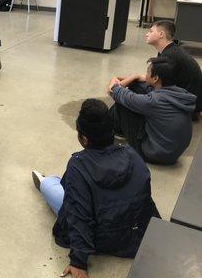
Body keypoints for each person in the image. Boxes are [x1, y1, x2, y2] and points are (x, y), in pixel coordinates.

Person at [31, 99, 160, 278]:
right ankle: (53, 182)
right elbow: (145, 198)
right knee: (74, 189)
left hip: (100, 236)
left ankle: (46, 182)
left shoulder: (78, 165)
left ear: (83, 138)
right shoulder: (133, 155)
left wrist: (78, 261)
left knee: (57, 191)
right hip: (134, 234)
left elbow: (79, 215)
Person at [108, 57, 196, 164]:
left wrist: (114, 80)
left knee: (122, 104)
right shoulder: (180, 93)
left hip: (154, 154)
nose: (145, 75)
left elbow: (114, 92)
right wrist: (135, 78)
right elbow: (145, 87)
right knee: (137, 87)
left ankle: (108, 131)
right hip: (172, 153)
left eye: (147, 72)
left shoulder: (154, 102)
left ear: (155, 79)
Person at [145, 20, 202, 118]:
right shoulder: (170, 50)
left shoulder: (170, 56)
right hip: (190, 102)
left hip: (186, 107)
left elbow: (155, 81)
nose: (146, 34)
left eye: (151, 31)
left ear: (161, 34)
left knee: (139, 90)